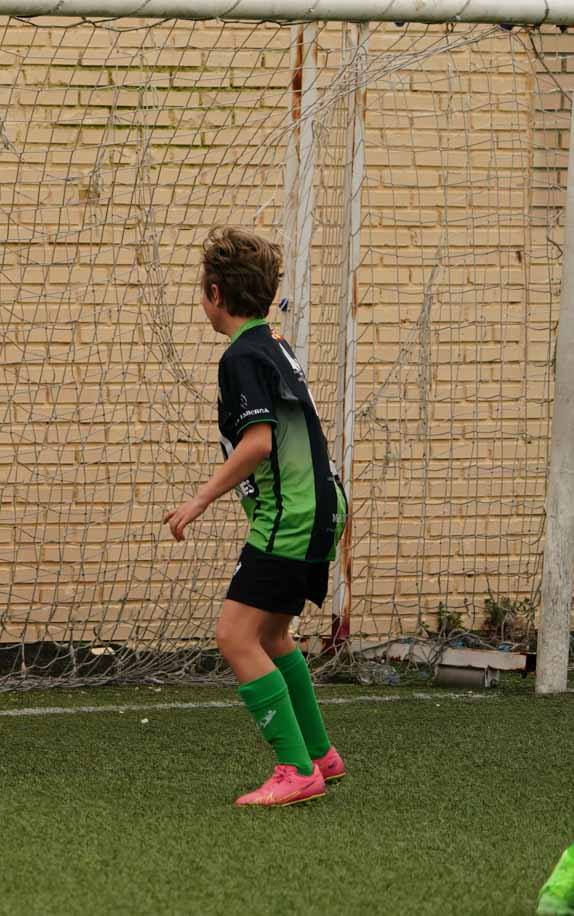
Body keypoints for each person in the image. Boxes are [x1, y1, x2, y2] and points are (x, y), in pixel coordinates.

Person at [163, 227, 348, 806]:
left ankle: (296, 769)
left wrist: (198, 499)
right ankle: (320, 754)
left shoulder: (241, 356)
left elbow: (259, 443)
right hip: (322, 507)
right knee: (271, 633)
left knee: (234, 635)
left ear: (214, 294)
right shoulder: (275, 346)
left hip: (290, 517)